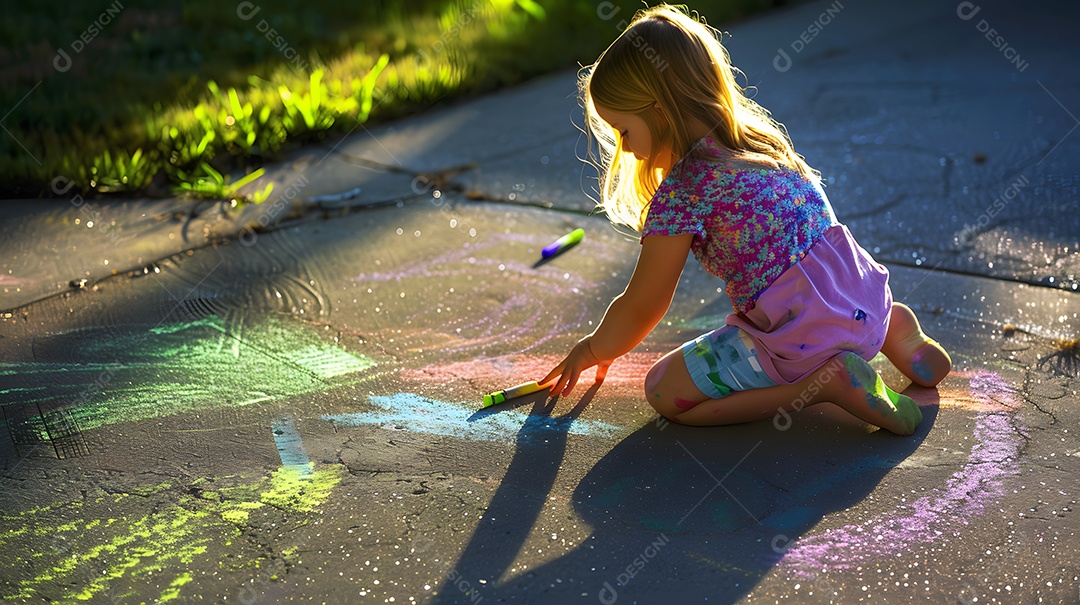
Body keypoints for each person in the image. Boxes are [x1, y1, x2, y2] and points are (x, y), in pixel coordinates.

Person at [539, 4, 950, 435]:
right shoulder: (764, 145)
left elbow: (645, 303)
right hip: (866, 299)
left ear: (660, 110)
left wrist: (593, 349)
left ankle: (828, 384)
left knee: (664, 391)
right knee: (847, 310)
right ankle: (899, 332)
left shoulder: (684, 191)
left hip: (805, 335)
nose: (624, 149)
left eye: (624, 131)